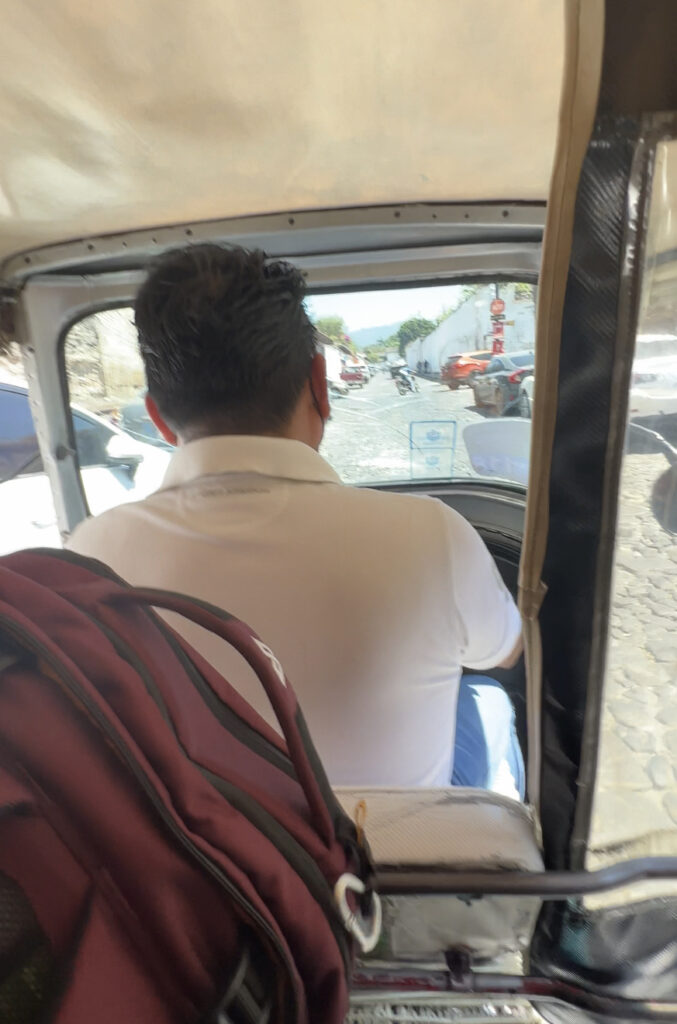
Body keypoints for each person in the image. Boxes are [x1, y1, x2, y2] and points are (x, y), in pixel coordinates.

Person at [68, 244, 524, 794]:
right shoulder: (432, 533)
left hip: (211, 868)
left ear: (161, 418)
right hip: (401, 859)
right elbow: (504, 651)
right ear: (319, 384)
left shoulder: (89, 556)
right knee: (488, 701)